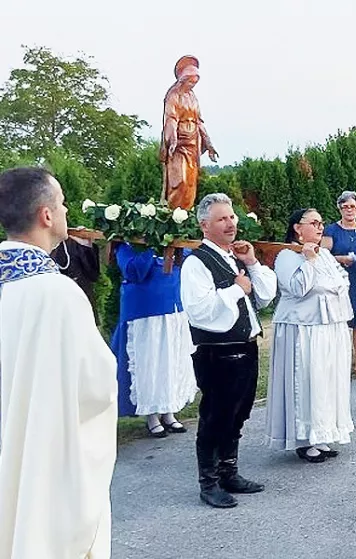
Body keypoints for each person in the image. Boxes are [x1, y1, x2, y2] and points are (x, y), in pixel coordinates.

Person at [0, 167, 117, 558]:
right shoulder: (58, 294)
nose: (67, 211)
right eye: (63, 203)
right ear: (46, 216)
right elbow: (96, 386)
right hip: (44, 457)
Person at [180, 193, 278, 508]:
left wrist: (251, 263)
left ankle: (229, 472)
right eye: (222, 219)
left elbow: (264, 296)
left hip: (245, 348)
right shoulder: (196, 262)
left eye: (232, 217)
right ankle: (208, 483)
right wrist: (236, 287)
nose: (230, 223)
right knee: (215, 417)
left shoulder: (234, 257)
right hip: (217, 354)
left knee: (238, 415)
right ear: (204, 225)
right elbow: (198, 309)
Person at [267, 208, 354, 463]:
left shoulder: (324, 254)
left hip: (329, 326)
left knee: (327, 381)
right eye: (314, 223)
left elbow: (341, 280)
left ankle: (323, 433)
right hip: (304, 330)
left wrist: (320, 267)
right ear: (297, 228)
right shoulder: (287, 255)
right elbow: (298, 288)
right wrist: (309, 260)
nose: (319, 228)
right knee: (307, 381)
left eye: (321, 223)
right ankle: (304, 438)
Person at [111, 243, 197, 437]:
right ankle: (151, 415)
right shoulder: (126, 247)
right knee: (149, 363)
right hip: (145, 315)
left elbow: (188, 263)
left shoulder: (176, 246)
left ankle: (169, 411)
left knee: (172, 362)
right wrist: (151, 247)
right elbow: (134, 272)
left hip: (173, 310)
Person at [324, 191, 356, 379]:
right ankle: (339, 365)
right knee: (340, 323)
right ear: (339, 208)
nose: (349, 210)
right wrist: (341, 259)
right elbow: (323, 255)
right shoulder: (331, 230)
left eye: (352, 206)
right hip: (339, 281)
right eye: (345, 206)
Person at [160, 55, 218, 210]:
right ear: (183, 79)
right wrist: (171, 140)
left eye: (195, 82)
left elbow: (199, 121)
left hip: (193, 143)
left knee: (191, 183)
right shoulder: (173, 95)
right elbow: (171, 118)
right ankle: (174, 215)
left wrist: (209, 144)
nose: (193, 85)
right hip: (179, 143)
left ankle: (185, 215)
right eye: (191, 81)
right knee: (180, 180)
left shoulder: (193, 97)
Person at [52, 235, 101, 320]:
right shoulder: (37, 248)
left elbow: (93, 275)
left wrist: (86, 246)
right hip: (56, 311)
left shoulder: (75, 243)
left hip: (81, 308)